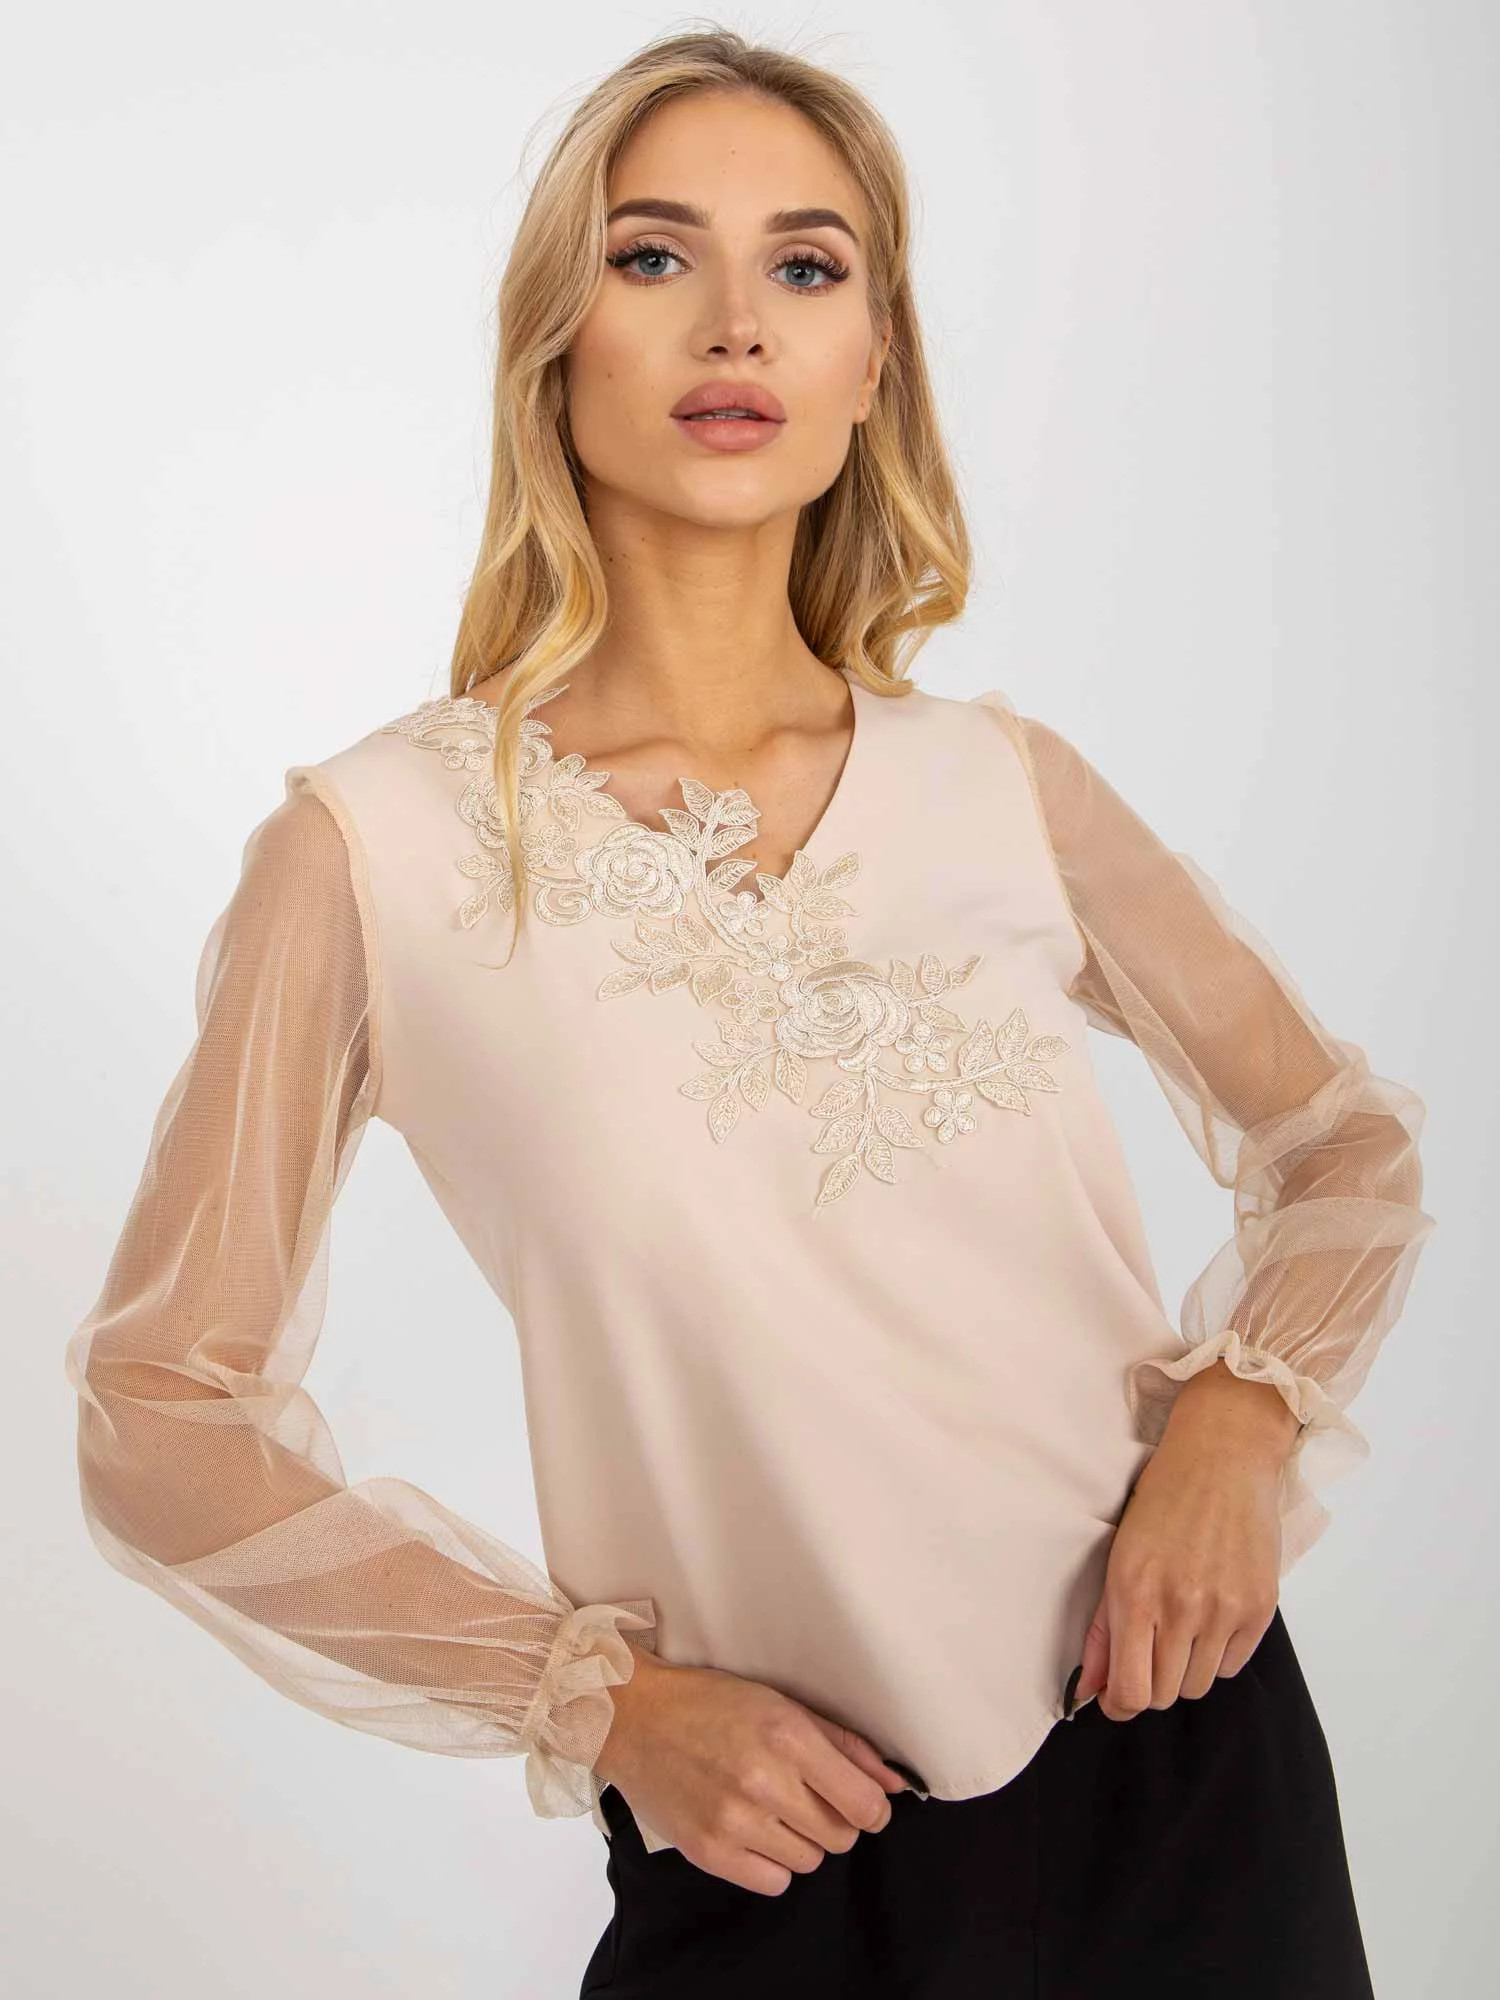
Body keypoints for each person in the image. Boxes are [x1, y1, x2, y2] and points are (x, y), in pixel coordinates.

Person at [66, 26, 1435, 1998]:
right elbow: (159, 1413)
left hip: (1186, 1778)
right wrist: (600, 1700)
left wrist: (1238, 1419)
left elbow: (1342, 1142)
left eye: (806, 264)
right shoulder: (377, 850)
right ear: (556, 338)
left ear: (873, 363)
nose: (737, 322)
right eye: (654, 256)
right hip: (774, 1851)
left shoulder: (1001, 783)